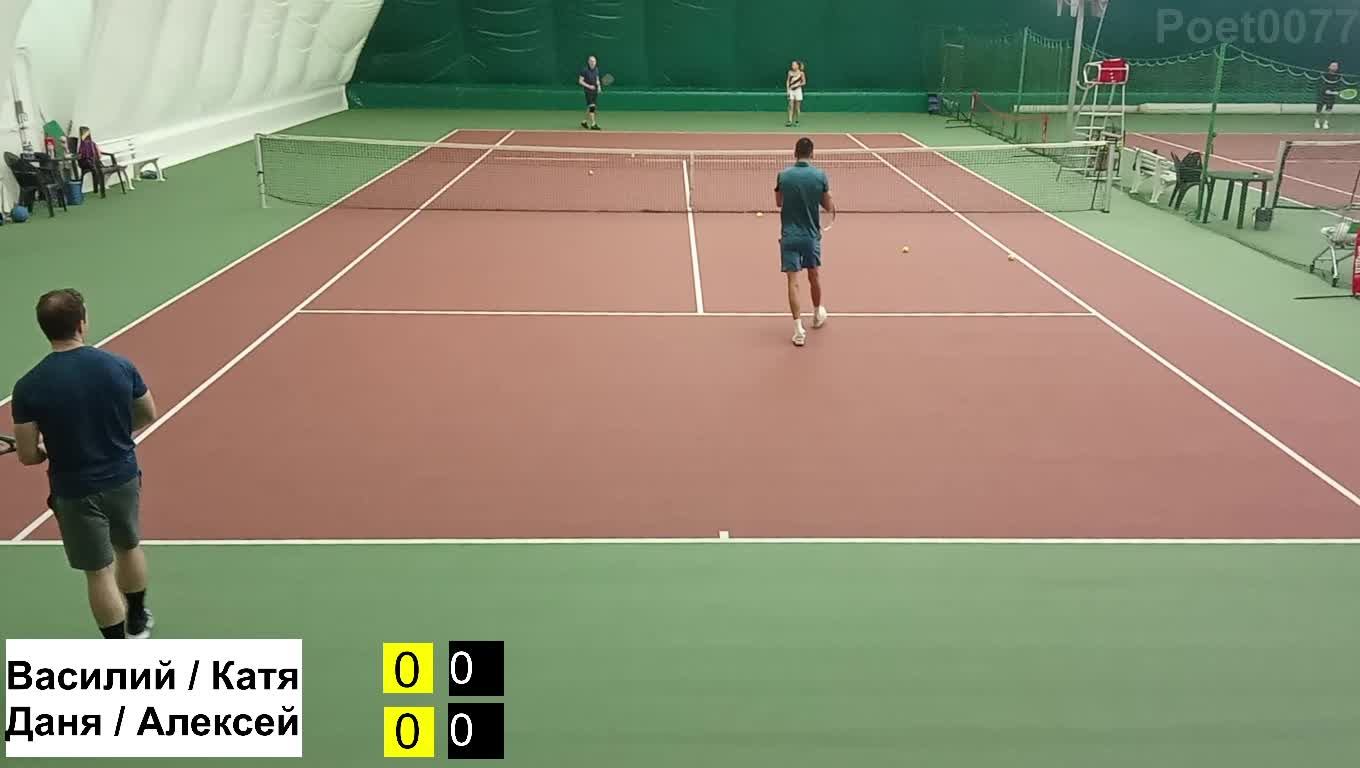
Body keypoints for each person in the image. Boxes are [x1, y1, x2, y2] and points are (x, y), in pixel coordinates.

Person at [11, 289, 158, 639]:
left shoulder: (28, 386)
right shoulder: (119, 366)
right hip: (122, 476)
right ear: (81, 323)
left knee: (98, 572)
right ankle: (137, 618)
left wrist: (48, 448)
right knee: (128, 546)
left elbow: (28, 455)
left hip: (74, 490)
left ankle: (116, 647)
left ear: (45, 329)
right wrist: (110, 434)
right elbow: (146, 414)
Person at [774, 137, 835, 346]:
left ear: (795, 153)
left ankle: (798, 330)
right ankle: (817, 315)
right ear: (812, 154)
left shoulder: (783, 176)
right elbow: (828, 206)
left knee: (793, 281)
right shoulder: (820, 176)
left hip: (789, 237)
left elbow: (778, 202)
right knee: (813, 275)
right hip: (810, 237)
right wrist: (827, 196)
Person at [578, 55, 603, 130]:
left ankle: (584, 122)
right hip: (588, 91)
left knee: (590, 107)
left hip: (594, 90)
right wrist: (589, 86)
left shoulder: (596, 69)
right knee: (592, 107)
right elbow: (580, 81)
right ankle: (593, 124)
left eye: (594, 61)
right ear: (588, 62)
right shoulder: (584, 70)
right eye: (591, 61)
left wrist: (599, 87)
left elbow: (597, 79)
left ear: (596, 62)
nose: (593, 62)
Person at [1317, 62, 1342, 130]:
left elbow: (1338, 86)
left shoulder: (1338, 76)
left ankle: (1325, 122)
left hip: (1331, 96)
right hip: (1322, 95)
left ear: (1337, 68)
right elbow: (1321, 85)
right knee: (1319, 109)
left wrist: (1336, 92)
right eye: (1333, 65)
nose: (1334, 67)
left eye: (1336, 66)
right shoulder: (1324, 75)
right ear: (1329, 67)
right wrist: (1327, 91)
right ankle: (1317, 121)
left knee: (1328, 109)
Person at [785, 61, 806, 127]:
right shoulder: (790, 72)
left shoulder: (801, 73)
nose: (792, 66)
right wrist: (788, 90)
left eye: (794, 65)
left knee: (797, 107)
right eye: (792, 65)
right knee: (790, 106)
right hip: (791, 91)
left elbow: (804, 82)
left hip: (798, 91)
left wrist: (797, 85)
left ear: (797, 66)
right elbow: (787, 81)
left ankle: (797, 121)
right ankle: (790, 121)